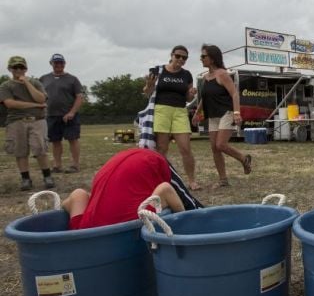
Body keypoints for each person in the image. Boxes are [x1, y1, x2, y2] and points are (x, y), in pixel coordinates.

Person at [62, 148, 201, 230]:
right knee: (80, 193)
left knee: (189, 206)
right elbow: (76, 195)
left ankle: (196, 216)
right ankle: (196, 215)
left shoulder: (81, 227)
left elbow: (164, 189)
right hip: (131, 161)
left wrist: (183, 223)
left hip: (138, 160)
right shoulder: (81, 228)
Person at [192, 44, 251, 187]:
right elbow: (204, 98)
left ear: (212, 58)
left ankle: (244, 159)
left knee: (221, 144)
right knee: (214, 148)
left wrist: (237, 113)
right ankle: (223, 180)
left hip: (227, 112)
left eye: (203, 56)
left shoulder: (222, 74)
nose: (201, 59)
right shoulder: (206, 78)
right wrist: (196, 113)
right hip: (213, 115)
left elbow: (234, 94)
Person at [143, 45, 199, 190]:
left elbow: (187, 98)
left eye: (184, 58)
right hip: (162, 110)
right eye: (178, 56)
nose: (181, 59)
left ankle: (192, 181)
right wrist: (148, 85)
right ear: (172, 55)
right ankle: (161, 181)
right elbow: (147, 93)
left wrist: (191, 94)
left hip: (180, 111)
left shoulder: (187, 75)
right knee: (162, 148)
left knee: (185, 148)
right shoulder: (157, 70)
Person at [0, 56, 55, 191]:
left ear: (26, 69)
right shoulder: (5, 86)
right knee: (20, 151)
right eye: (15, 67)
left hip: (37, 120)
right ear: (9, 69)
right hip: (16, 121)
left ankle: (47, 176)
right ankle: (26, 179)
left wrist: (27, 83)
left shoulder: (35, 83)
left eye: (21, 67)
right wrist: (35, 105)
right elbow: (10, 103)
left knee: (40, 148)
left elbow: (41, 98)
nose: (18, 70)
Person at [40, 53, 83, 173]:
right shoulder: (43, 79)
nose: (58, 65)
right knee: (55, 141)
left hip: (69, 115)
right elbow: (39, 96)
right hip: (51, 115)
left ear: (64, 64)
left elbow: (79, 97)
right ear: (51, 64)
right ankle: (57, 165)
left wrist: (72, 112)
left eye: (61, 63)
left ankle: (75, 165)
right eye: (56, 63)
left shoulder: (73, 79)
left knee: (73, 139)